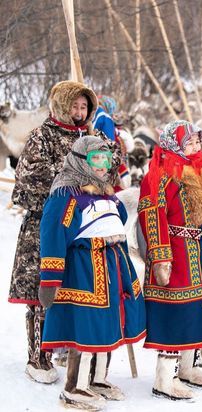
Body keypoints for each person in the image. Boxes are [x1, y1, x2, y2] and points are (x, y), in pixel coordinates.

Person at [8, 80, 121, 384]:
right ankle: (39, 355)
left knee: (77, 286)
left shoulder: (90, 136)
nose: (79, 111)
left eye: (84, 106)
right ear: (61, 105)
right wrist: (73, 178)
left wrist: (107, 150)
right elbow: (30, 174)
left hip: (83, 225)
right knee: (42, 289)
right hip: (47, 222)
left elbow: (111, 165)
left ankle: (68, 347)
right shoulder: (42, 136)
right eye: (74, 105)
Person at [38, 135, 146, 409]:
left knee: (109, 324)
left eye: (106, 159)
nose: (102, 165)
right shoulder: (66, 194)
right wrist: (50, 278)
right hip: (85, 269)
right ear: (80, 160)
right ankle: (75, 387)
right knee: (87, 327)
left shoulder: (104, 191)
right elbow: (53, 234)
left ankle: (98, 379)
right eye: (95, 159)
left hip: (112, 264)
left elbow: (119, 217)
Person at [138, 120, 202, 401]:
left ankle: (188, 367)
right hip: (178, 252)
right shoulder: (160, 174)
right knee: (178, 311)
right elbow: (152, 215)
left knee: (201, 308)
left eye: (197, 142)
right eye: (189, 143)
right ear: (174, 144)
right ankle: (164, 377)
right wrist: (161, 256)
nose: (195, 147)